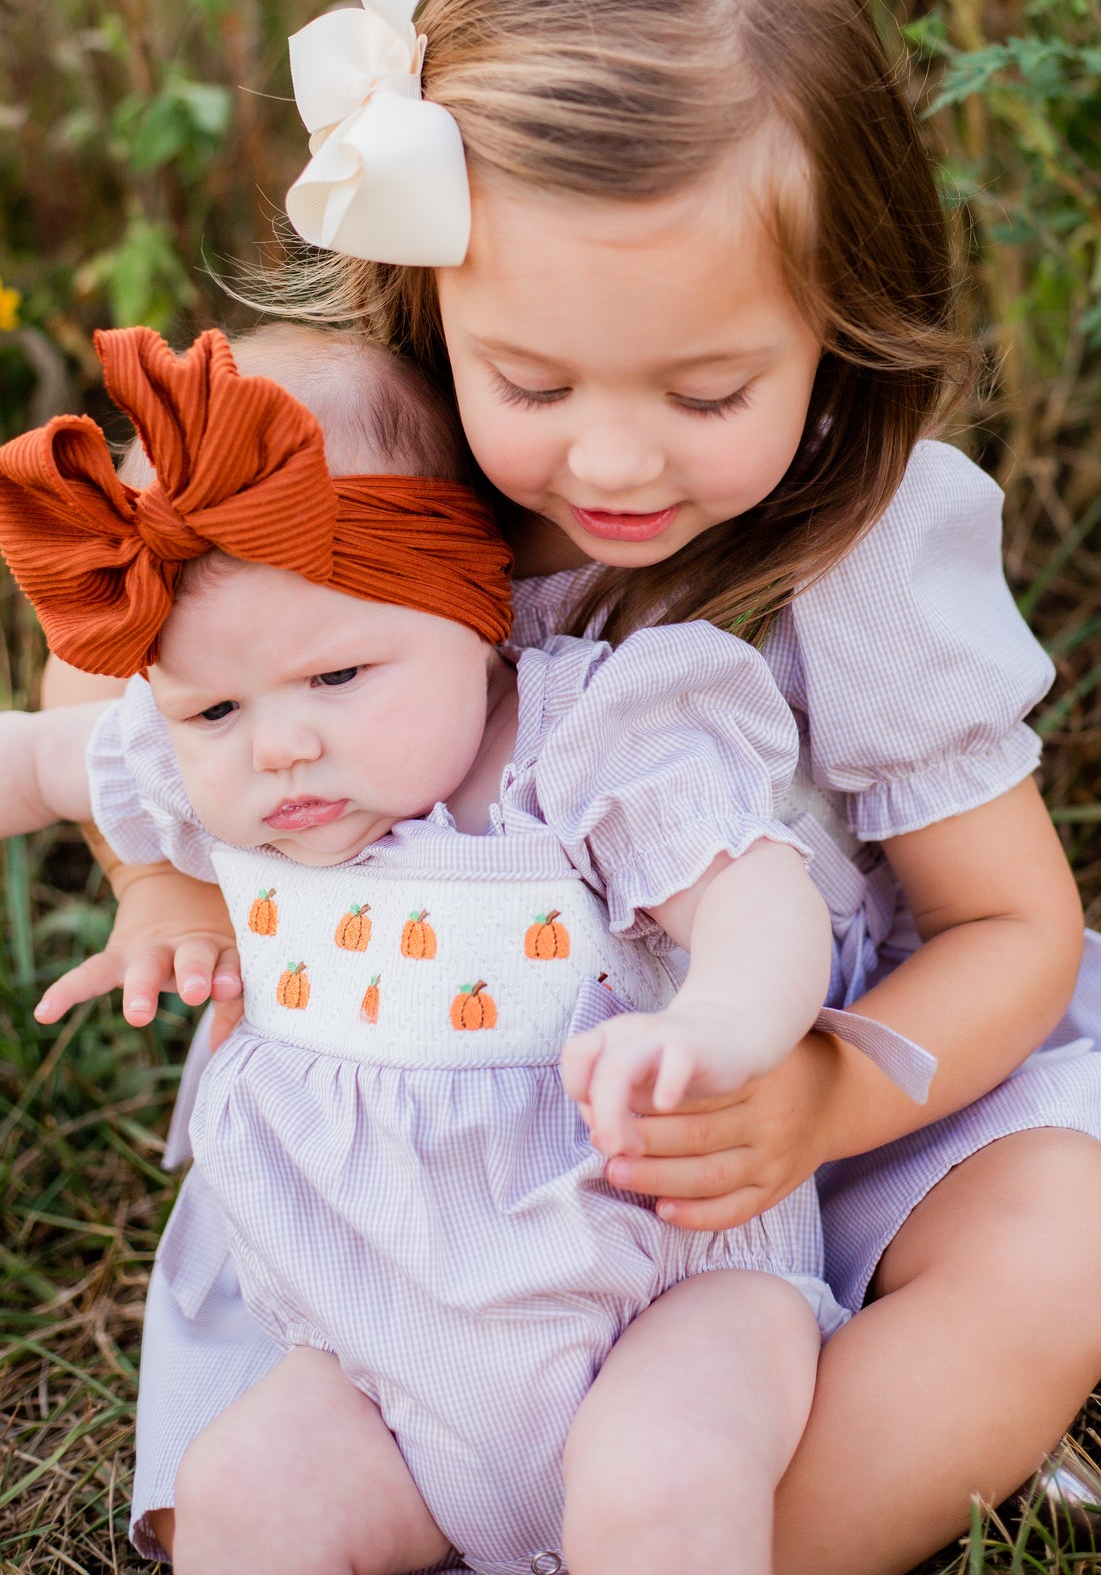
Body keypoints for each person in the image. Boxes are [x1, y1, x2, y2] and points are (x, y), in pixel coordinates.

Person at [44, 0, 1101, 1575]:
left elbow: (1011, 928)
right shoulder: (356, 463)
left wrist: (812, 1102)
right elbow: (103, 652)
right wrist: (161, 879)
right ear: (431, 304)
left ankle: (714, 1510)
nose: (616, 458)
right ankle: (526, 1478)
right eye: (534, 382)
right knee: (258, 1491)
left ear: (837, 323)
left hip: (775, 1124)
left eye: (710, 390)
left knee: (1073, 1231)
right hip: (422, 1180)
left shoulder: (859, 552)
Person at [3, 323, 931, 1575]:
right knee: (240, 1496)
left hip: (661, 1288)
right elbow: (34, 759)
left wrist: (719, 1022)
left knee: (664, 1482)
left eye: (338, 673)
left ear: (467, 605)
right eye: (215, 705)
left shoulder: (588, 740)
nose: (279, 743)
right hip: (380, 1342)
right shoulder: (209, 767)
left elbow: (756, 897)